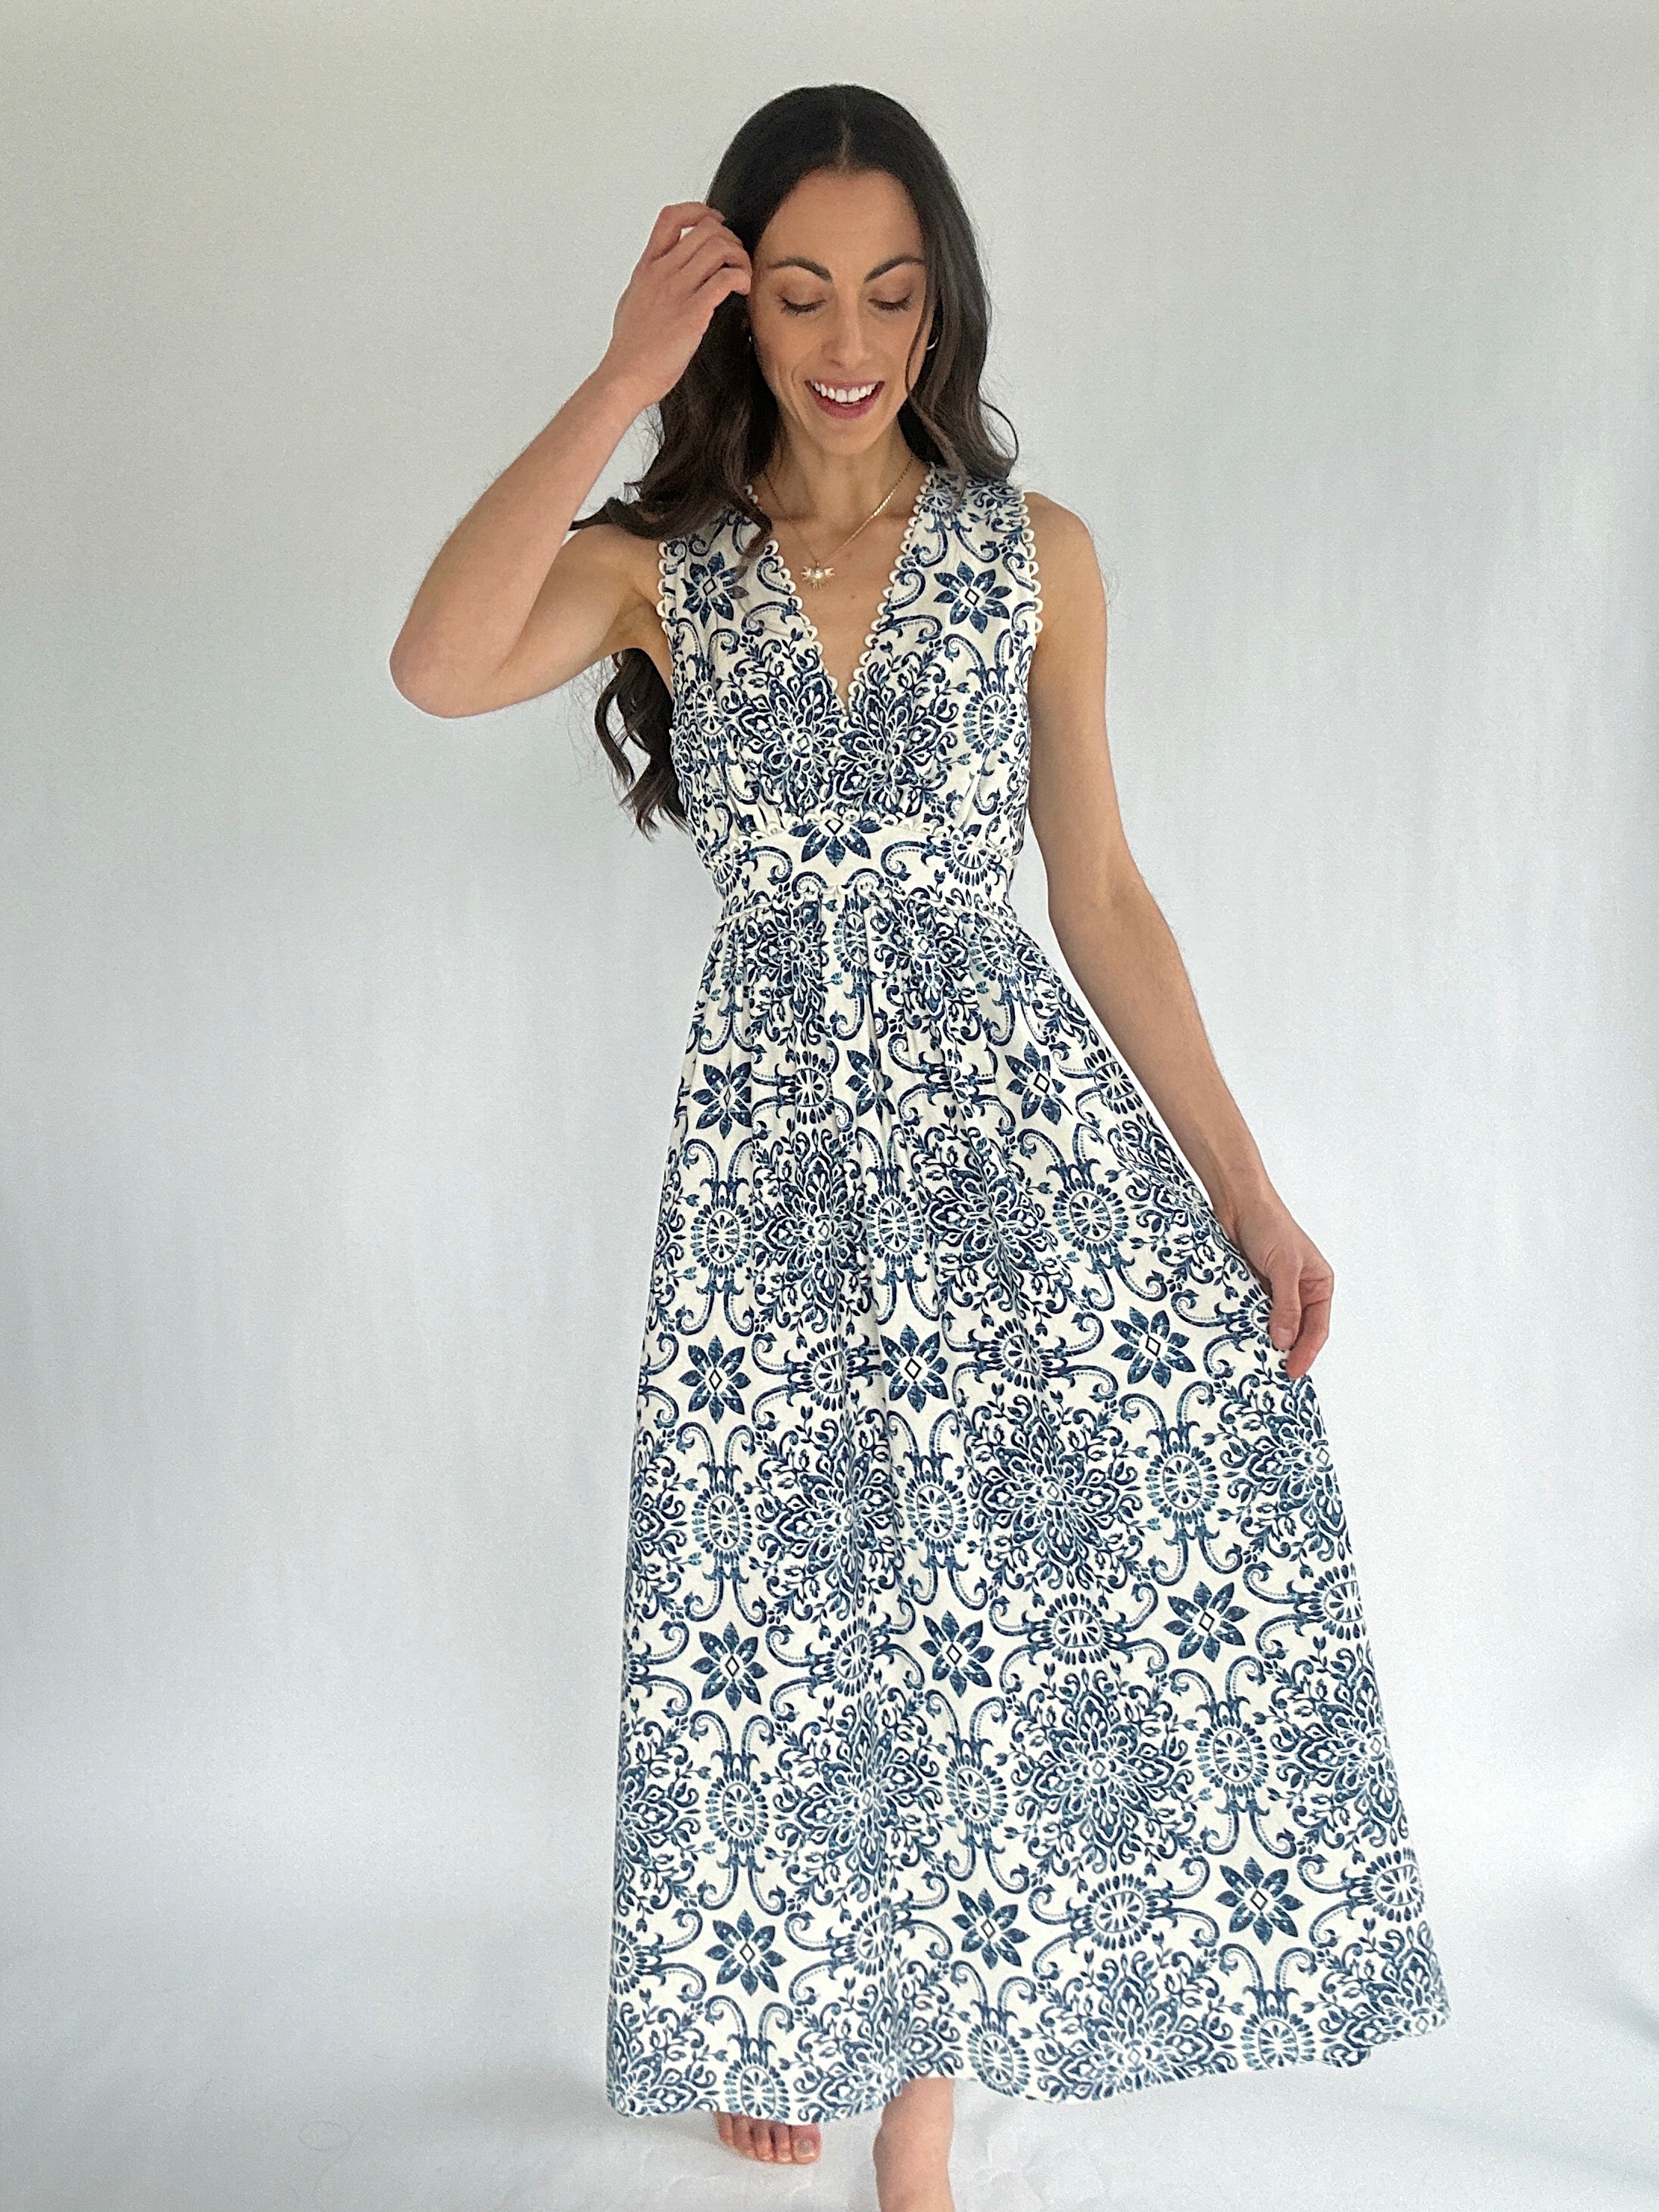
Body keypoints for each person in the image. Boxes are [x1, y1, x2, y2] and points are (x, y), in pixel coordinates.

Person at [390, 81, 1449, 2212]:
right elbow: (429, 663)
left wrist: (1248, 1191)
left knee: (1003, 1583)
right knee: (793, 1584)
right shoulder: (661, 573)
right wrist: (617, 369)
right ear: (736, 310)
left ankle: (928, 2077)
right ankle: (806, 1987)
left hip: (1009, 1147)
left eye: (887, 287)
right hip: (775, 1167)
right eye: (795, 292)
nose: (848, 333)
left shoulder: (1030, 557)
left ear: (940, 299)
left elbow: (1104, 898)